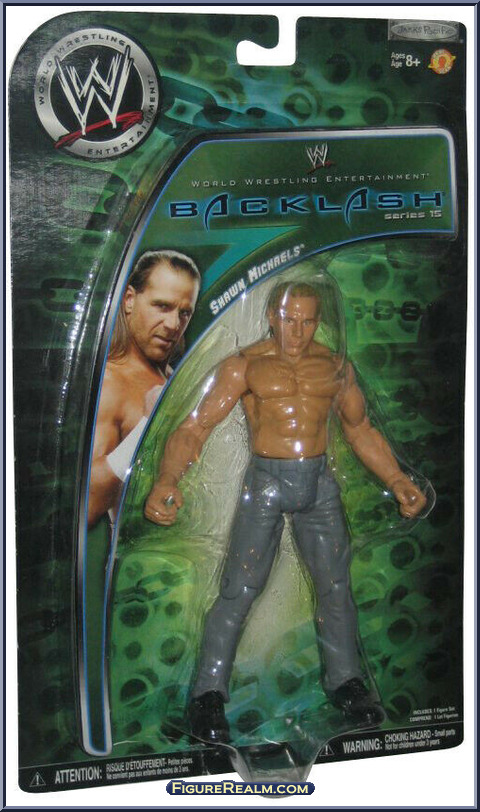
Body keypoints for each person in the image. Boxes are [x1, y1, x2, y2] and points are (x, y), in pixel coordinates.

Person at [144, 280, 427, 742]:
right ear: (272, 316)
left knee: (335, 587)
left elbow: (360, 430)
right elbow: (195, 426)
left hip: (319, 483)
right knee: (238, 589)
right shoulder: (246, 364)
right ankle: (207, 693)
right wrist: (167, 480)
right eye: (289, 319)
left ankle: (347, 682)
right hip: (267, 482)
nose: (297, 331)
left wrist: (397, 480)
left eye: (307, 321)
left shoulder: (334, 367)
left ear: (319, 321)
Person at [88, 249, 200, 528]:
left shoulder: (173, 378)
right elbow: (87, 505)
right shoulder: (111, 383)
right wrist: (147, 426)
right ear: (129, 300)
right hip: (143, 551)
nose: (174, 324)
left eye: (184, 313)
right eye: (162, 306)